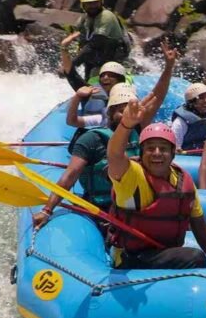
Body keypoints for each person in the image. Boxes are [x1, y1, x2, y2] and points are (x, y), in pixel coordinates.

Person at [31, 44, 176, 230]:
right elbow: (70, 175)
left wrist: (169, 66)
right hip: (103, 207)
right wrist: (47, 210)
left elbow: (158, 96)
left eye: (130, 109)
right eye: (121, 109)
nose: (127, 114)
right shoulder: (91, 139)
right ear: (111, 112)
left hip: (135, 204)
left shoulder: (139, 129)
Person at [106, 99, 206, 270]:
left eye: (163, 149)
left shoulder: (183, 180)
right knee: (195, 257)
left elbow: (202, 230)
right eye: (150, 148)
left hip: (163, 253)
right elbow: (115, 155)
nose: (156, 153)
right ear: (141, 153)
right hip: (130, 257)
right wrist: (126, 125)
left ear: (172, 154)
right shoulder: (132, 175)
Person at [60, 0, 132, 86]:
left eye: (96, 2)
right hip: (97, 66)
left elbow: (95, 44)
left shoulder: (106, 17)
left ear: (101, 1)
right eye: (89, 3)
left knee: (89, 53)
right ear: (83, 4)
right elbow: (80, 43)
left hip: (117, 66)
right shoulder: (84, 20)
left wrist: (71, 65)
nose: (93, 6)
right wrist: (66, 60)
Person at [64, 61, 127, 130]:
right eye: (102, 75)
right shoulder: (91, 92)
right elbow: (71, 74)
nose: (105, 78)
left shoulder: (128, 97)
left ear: (120, 79)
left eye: (111, 75)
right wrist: (77, 96)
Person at [171, 83, 206, 151]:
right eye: (201, 98)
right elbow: (174, 149)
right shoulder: (180, 123)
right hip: (188, 158)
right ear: (191, 102)